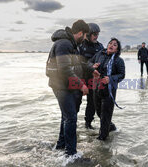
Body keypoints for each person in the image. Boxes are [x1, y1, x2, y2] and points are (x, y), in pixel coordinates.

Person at [46, 20, 100, 156]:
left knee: (67, 117)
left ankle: (60, 145)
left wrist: (91, 69)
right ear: (81, 33)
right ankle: (71, 154)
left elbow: (80, 61)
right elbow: (64, 69)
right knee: (70, 118)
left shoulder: (72, 43)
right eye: (85, 35)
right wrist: (81, 85)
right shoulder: (64, 43)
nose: (85, 38)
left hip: (66, 85)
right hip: (61, 85)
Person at [88, 38, 125, 140]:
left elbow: (122, 75)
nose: (111, 45)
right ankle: (112, 127)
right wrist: (92, 66)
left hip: (109, 90)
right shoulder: (99, 54)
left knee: (105, 115)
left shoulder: (119, 60)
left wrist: (111, 78)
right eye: (110, 43)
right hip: (96, 88)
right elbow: (89, 62)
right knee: (99, 112)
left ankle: (102, 140)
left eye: (115, 45)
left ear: (117, 49)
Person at [79, 23, 104, 129]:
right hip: (80, 78)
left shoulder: (100, 46)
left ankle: (88, 123)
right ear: (88, 34)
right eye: (94, 34)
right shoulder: (80, 46)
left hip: (93, 79)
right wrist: (90, 66)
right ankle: (71, 123)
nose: (96, 36)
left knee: (92, 103)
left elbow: (105, 59)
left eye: (97, 34)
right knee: (76, 102)